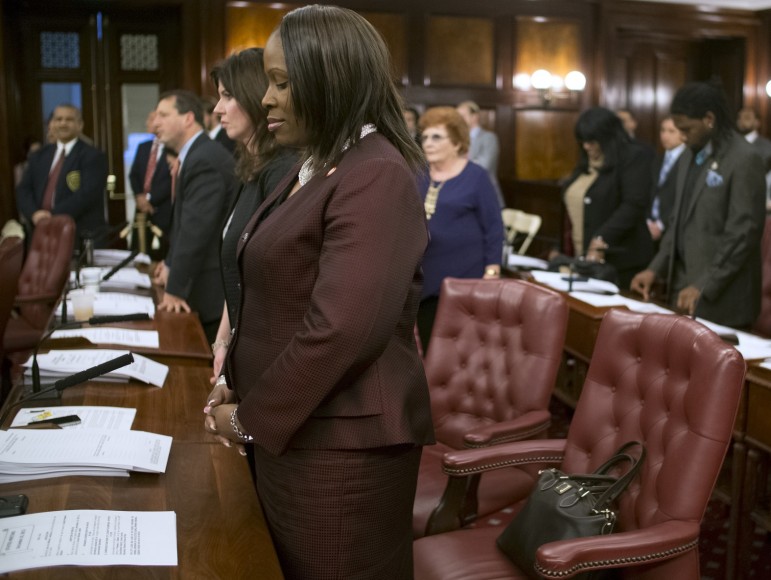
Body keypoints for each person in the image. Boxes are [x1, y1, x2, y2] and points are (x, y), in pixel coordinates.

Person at [203, 6, 434, 579]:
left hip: (342, 453)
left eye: (281, 82)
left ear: (329, 80)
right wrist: (234, 381)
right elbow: (275, 296)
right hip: (298, 435)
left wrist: (250, 418)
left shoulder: (375, 173)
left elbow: (342, 332)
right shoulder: (312, 165)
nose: (266, 98)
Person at [630, 81, 766, 328]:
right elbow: (677, 223)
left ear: (709, 119)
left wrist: (703, 284)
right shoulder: (688, 155)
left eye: (687, 129)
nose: (681, 136)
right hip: (682, 290)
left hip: (723, 298)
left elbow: (742, 234)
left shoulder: (745, 159)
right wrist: (654, 269)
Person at [208, 47, 297, 384]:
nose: (218, 109)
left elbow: (274, 283)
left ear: (255, 95)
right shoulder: (252, 169)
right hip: (242, 350)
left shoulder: (284, 170)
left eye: (227, 96)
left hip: (271, 360)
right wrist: (222, 342)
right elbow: (238, 273)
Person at [152, 89, 238, 342]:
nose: (155, 122)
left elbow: (195, 230)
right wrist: (169, 264)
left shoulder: (205, 158)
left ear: (188, 118)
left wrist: (175, 289)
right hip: (198, 287)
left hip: (207, 294)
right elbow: (181, 224)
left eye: (163, 115)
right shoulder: (195, 154)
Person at [416, 106, 504, 351]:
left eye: (436, 137)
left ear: (456, 143)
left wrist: (492, 272)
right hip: (424, 278)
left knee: (456, 351)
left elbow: (494, 228)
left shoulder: (476, 177)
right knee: (426, 348)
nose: (428, 143)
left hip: (464, 279)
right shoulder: (418, 174)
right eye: (424, 137)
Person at [560, 106, 654, 288]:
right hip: (583, 257)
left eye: (592, 141)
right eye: (583, 141)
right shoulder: (588, 160)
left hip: (619, 261)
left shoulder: (633, 156)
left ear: (608, 136)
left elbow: (633, 205)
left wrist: (601, 239)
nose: (587, 146)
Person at [16, 103, 108, 248]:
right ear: (51, 124)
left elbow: (87, 195)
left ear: (80, 125)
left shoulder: (93, 156)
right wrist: (34, 214)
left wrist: (50, 216)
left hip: (78, 236)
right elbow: (24, 190)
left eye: (69, 119)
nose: (63, 123)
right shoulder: (38, 156)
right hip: (40, 235)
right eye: (58, 119)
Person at [128, 110, 173, 258]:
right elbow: (133, 175)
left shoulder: (172, 148)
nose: (149, 122)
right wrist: (139, 196)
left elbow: (170, 179)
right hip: (142, 211)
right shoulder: (143, 146)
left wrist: (149, 199)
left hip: (163, 212)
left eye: (153, 119)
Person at [646, 115, 686, 247]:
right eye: (662, 130)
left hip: (674, 228)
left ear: (683, 134)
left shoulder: (689, 161)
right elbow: (651, 191)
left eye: (671, 131)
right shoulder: (658, 159)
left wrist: (661, 224)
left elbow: (684, 197)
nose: (665, 135)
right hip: (650, 226)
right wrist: (649, 221)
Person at [456, 99, 504, 207]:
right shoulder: (456, 139)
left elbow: (483, 166)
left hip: (486, 195)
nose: (458, 121)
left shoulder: (488, 138)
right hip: (463, 197)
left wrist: (456, 165)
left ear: (474, 117)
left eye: (462, 116)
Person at [736, 106, 771, 207]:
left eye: (747, 117)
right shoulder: (731, 146)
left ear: (757, 122)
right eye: (740, 118)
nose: (743, 121)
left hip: (758, 199)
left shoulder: (768, 147)